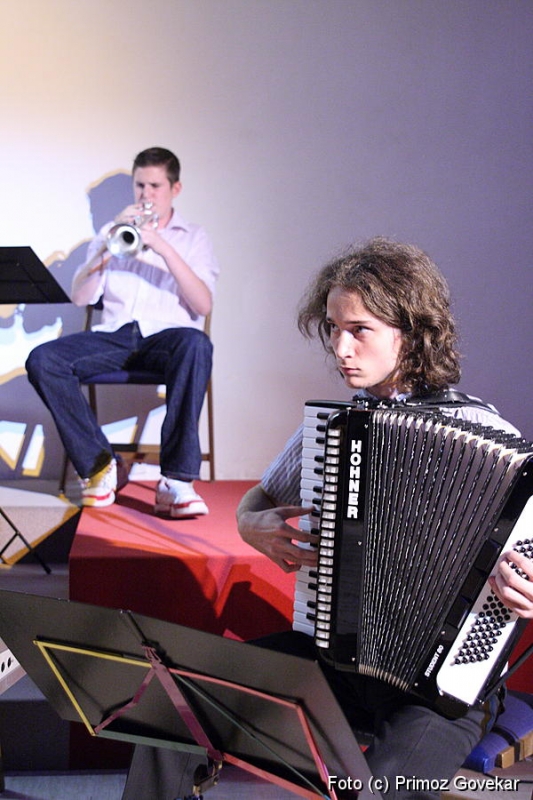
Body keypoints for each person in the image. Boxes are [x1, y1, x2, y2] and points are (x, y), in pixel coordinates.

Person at [121, 238, 533, 800]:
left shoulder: (494, 440)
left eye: (359, 330)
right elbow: (256, 502)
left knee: (382, 792)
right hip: (334, 661)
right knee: (174, 705)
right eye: (334, 329)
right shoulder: (333, 429)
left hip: (443, 692)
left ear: (411, 333)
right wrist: (251, 524)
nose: (340, 347)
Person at [26, 147, 219, 518]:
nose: (146, 194)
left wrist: (162, 247)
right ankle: (101, 465)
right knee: (43, 359)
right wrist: (106, 245)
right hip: (115, 335)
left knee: (197, 344)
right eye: (140, 185)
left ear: (175, 189)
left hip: (167, 338)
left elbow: (203, 303)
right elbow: (81, 297)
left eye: (155, 186)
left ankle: (176, 482)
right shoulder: (110, 234)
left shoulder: (194, 237)